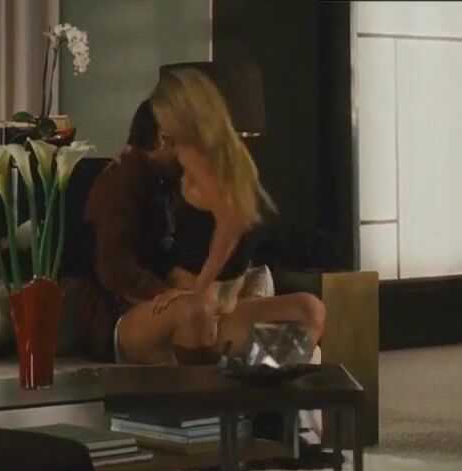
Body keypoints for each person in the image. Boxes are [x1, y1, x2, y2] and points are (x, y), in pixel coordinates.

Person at [84, 67, 326, 366]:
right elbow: (115, 270)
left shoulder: (183, 177)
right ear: (163, 138)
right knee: (195, 310)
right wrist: (169, 292)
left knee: (307, 309)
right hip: (129, 316)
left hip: (195, 306)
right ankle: (208, 390)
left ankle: (265, 384)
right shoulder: (120, 183)